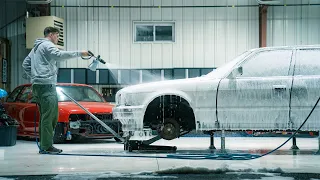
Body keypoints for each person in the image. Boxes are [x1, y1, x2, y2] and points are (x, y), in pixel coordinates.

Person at [22, 26, 89, 154]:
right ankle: (47, 147)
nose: (58, 39)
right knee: (51, 117)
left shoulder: (36, 48)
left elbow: (25, 64)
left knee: (45, 116)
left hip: (38, 86)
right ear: (52, 34)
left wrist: (35, 77)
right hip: (47, 86)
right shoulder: (47, 45)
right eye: (57, 36)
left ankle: (44, 145)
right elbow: (59, 55)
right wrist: (80, 53)